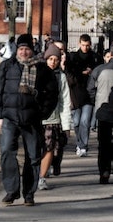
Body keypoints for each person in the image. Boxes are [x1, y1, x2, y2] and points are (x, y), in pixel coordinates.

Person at [0, 32, 58, 207]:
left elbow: (52, 94)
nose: (23, 52)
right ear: (16, 50)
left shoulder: (42, 69)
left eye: (27, 49)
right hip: (9, 118)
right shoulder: (7, 66)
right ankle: (12, 191)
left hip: (32, 119)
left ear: (32, 50)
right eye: (21, 49)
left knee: (33, 157)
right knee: (7, 152)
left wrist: (42, 113)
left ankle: (29, 194)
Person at [89, 44, 113, 184]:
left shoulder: (100, 70)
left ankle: (104, 171)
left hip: (103, 112)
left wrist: (97, 101)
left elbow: (90, 89)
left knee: (103, 144)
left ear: (110, 54)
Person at [38, 43, 72, 190]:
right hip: (37, 118)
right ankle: (34, 173)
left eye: (56, 59)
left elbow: (65, 101)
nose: (53, 62)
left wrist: (66, 125)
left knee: (49, 148)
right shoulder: (37, 73)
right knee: (36, 149)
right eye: (50, 59)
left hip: (53, 118)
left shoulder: (61, 78)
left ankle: (41, 177)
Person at [66, 33, 100, 157]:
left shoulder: (95, 58)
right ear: (79, 44)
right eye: (83, 45)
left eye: (87, 45)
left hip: (89, 96)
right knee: (76, 122)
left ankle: (83, 146)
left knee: (85, 121)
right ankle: (79, 142)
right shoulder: (73, 57)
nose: (85, 47)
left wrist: (92, 73)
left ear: (90, 45)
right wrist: (81, 73)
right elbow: (70, 75)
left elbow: (99, 73)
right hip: (76, 94)